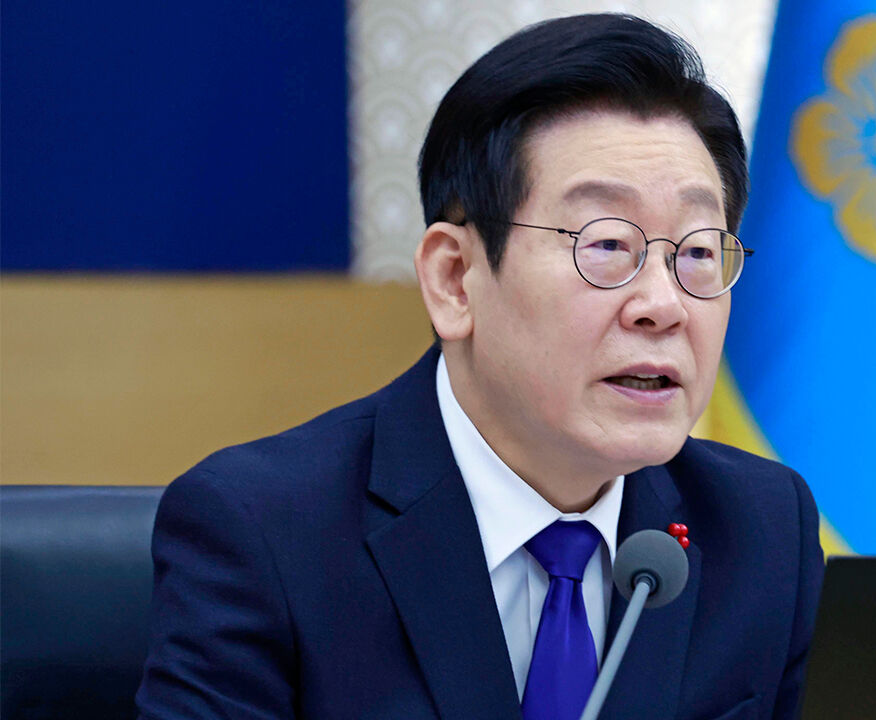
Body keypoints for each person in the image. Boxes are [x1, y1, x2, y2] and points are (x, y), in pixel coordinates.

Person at [136, 13, 823, 720]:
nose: (663, 305)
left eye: (699, 251)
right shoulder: (265, 535)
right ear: (455, 280)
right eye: (608, 245)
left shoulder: (762, 531)